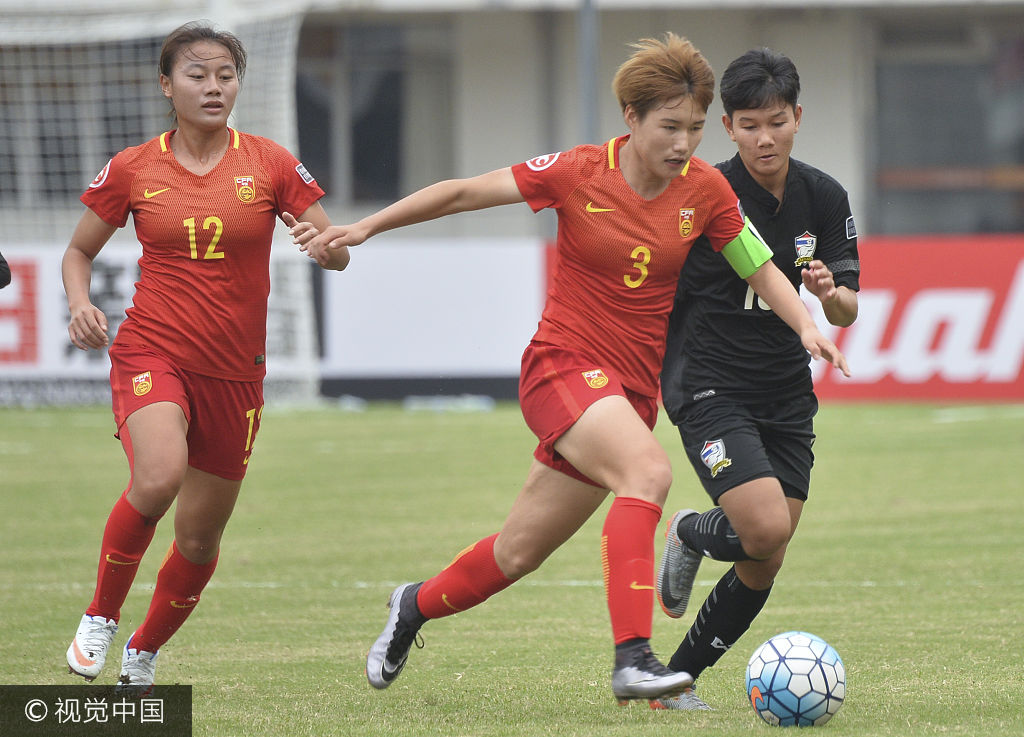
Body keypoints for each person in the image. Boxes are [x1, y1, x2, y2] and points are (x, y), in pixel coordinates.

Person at [294, 33, 847, 705]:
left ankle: (412, 604)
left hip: (629, 394)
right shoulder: (580, 171)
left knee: (516, 554)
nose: (683, 143)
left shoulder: (704, 189)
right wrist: (365, 228)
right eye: (669, 126)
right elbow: (465, 192)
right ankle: (634, 659)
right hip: (563, 366)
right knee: (648, 472)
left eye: (695, 129)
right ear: (632, 118)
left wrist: (806, 325)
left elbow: (757, 263)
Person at [62, 21, 348, 695]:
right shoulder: (133, 167)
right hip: (152, 349)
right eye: (198, 75)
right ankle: (100, 614)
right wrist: (80, 303)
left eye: (225, 75)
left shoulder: (272, 162)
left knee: (197, 538)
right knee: (158, 478)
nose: (214, 87)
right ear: (168, 86)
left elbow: (333, 248)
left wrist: (328, 247)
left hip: (235, 373)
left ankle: (143, 650)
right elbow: (79, 252)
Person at [653, 47, 860, 710]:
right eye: (749, 124)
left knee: (764, 554)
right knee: (765, 528)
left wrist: (829, 294)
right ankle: (689, 531)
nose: (764, 137)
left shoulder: (823, 196)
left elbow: (849, 305)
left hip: (785, 390)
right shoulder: (703, 196)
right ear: (727, 127)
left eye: (776, 121)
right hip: (708, 381)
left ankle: (672, 682)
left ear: (797, 117)